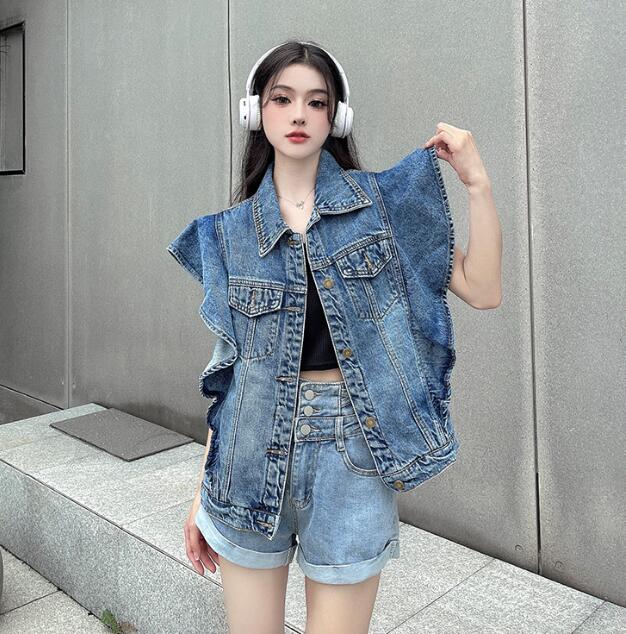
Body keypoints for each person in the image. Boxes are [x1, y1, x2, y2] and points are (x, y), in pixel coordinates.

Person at [172, 39, 502, 634]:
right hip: (246, 457)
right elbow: (230, 373)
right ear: (256, 111)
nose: (299, 114)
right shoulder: (228, 234)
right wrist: (204, 490)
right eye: (282, 99)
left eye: (316, 102)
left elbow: (482, 289)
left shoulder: (384, 206)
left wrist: (477, 182)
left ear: (336, 117)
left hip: (351, 451)